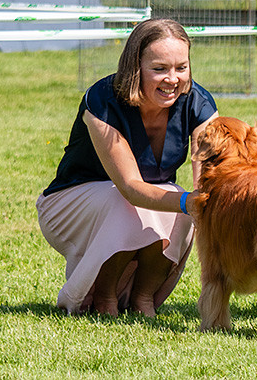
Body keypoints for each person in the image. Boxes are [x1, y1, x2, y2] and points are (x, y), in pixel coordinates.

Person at [37, 18, 218, 318]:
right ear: (136, 66)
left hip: (137, 206)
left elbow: (207, 182)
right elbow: (131, 187)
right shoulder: (103, 99)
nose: (172, 79)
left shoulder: (199, 103)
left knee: (181, 203)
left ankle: (143, 297)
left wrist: (206, 201)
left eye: (181, 68)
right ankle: (104, 297)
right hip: (70, 203)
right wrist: (191, 202)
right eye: (159, 69)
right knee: (134, 202)